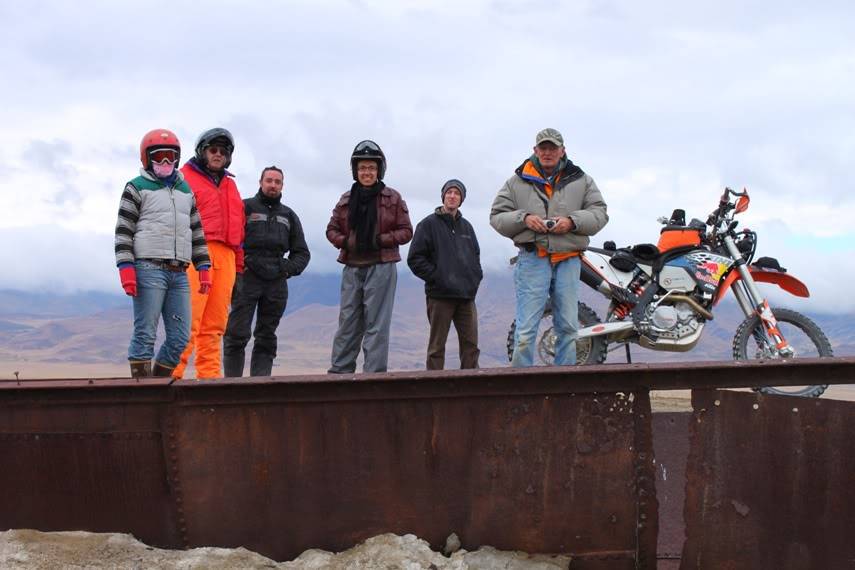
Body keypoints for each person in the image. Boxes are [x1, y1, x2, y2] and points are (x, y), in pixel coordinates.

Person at [490, 128, 608, 367]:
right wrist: (523, 218)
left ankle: (565, 390)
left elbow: (600, 214)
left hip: (569, 260)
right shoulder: (516, 182)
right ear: (535, 150)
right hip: (532, 259)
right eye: (543, 148)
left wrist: (572, 222)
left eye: (552, 148)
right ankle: (524, 391)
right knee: (525, 332)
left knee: (568, 328)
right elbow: (497, 217)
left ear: (562, 151)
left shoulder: (582, 180)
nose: (547, 153)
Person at [115, 128, 211, 378]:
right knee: (145, 333)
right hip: (148, 269)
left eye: (171, 156)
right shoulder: (136, 187)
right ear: (147, 159)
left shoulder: (185, 191)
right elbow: (124, 231)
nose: (166, 162)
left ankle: (157, 387)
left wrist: (204, 268)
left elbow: (197, 232)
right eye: (159, 157)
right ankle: (142, 395)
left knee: (180, 337)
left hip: (179, 273)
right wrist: (126, 268)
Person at [326, 140, 413, 374]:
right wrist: (346, 242)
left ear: (379, 170)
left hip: (381, 266)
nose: (367, 172)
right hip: (352, 266)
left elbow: (407, 231)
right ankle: (339, 375)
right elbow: (331, 230)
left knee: (377, 325)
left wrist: (380, 240)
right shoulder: (345, 199)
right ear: (356, 171)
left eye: (371, 168)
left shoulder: (392, 198)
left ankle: (373, 378)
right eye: (363, 168)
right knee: (347, 323)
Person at [172, 128, 246, 380]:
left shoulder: (230, 184)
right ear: (202, 151)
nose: (218, 155)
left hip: (226, 256)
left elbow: (239, 228)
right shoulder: (182, 180)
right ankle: (171, 379)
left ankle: (209, 380)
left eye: (223, 152)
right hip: (194, 253)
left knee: (215, 326)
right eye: (213, 150)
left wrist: (238, 267)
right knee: (188, 322)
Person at [223, 166, 311, 377]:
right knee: (236, 334)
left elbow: (302, 253)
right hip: (247, 277)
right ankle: (231, 387)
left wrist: (287, 268)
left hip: (276, 282)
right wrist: (238, 267)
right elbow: (230, 240)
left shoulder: (288, 215)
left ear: (282, 186)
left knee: (266, 335)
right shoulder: (245, 207)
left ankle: (259, 386)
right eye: (269, 180)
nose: (273, 185)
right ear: (260, 182)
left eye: (277, 182)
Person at [408, 179, 482, 370]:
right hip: (440, 296)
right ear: (443, 196)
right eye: (449, 192)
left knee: (471, 347)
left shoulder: (467, 227)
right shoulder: (427, 225)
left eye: (457, 193)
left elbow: (475, 257)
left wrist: (474, 280)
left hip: (466, 297)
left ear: (461, 199)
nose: (452, 196)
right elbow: (415, 259)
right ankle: (433, 391)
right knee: (436, 347)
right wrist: (437, 277)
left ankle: (471, 389)